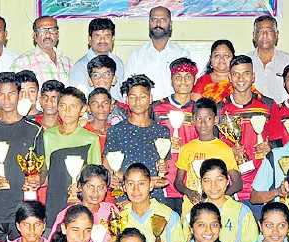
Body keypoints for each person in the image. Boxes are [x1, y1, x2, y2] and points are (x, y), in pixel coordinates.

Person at [0, 72, 45, 242]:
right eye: (1, 94)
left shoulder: (34, 129)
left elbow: (42, 167)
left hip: (23, 207)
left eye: (11, 93)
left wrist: (38, 179)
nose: (6, 99)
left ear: (20, 95)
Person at [218, 55, 275, 217]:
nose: (241, 78)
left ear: (253, 76)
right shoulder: (219, 109)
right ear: (229, 77)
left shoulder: (268, 105)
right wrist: (229, 153)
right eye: (236, 74)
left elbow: (281, 141)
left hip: (262, 185)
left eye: (246, 73)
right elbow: (213, 146)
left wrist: (270, 147)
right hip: (232, 183)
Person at [102, 75, 170, 203]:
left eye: (143, 97)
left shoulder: (162, 131)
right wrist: (137, 181)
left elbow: (164, 165)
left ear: (150, 99)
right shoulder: (116, 131)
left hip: (155, 197)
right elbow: (108, 169)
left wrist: (163, 169)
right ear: (127, 100)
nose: (137, 101)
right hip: (126, 197)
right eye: (133, 97)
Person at [174, 98, 241, 215]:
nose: (203, 123)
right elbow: (178, 182)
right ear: (193, 120)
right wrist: (188, 192)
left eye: (208, 119)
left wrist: (219, 198)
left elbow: (237, 183)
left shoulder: (224, 149)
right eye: (199, 119)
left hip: (217, 210)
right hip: (191, 208)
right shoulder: (186, 149)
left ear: (215, 120)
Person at [42, 86, 101, 222]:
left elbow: (94, 176)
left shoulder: (90, 138)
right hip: (54, 199)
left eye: (73, 107)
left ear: (83, 109)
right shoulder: (48, 135)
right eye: (63, 106)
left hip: (80, 201)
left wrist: (80, 190)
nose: (67, 111)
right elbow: (46, 172)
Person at [152, 57, 199, 213]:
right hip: (164, 179)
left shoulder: (201, 110)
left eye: (188, 77)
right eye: (178, 77)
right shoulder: (157, 108)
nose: (183, 81)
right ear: (171, 80)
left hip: (192, 180)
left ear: (194, 80)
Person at [119, 163, 186, 242]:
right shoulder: (120, 218)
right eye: (130, 184)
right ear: (124, 187)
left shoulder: (169, 215)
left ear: (150, 186)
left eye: (141, 183)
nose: (136, 189)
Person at [183, 159, 256, 242]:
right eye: (207, 180)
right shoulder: (193, 213)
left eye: (219, 179)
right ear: (201, 183)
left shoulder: (242, 211)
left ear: (228, 181)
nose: (213, 186)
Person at [125, 6, 190, 100]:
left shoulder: (181, 54)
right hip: (144, 111)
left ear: (170, 24)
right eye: (154, 19)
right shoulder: (136, 56)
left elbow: (187, 88)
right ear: (149, 24)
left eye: (163, 20)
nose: (158, 24)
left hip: (174, 111)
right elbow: (128, 88)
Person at [51, 165, 115, 242]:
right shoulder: (67, 214)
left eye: (100, 187)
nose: (95, 192)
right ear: (80, 187)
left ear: (107, 188)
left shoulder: (111, 211)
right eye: (90, 186)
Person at [70, 18, 124, 102]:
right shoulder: (80, 67)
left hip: (119, 112)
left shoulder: (118, 63)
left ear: (113, 38)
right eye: (97, 36)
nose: (102, 40)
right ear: (89, 39)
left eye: (107, 36)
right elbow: (78, 101)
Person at [12, 16, 72, 86]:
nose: (48, 34)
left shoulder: (67, 62)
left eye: (52, 30)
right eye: (42, 30)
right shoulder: (23, 63)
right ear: (34, 36)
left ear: (57, 34)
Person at [247, 15, 289, 103]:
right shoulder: (245, 62)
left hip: (282, 113)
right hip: (253, 113)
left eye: (269, 31)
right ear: (254, 35)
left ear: (276, 35)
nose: (265, 35)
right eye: (260, 32)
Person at [85, 55, 129, 127]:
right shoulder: (82, 110)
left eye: (107, 74)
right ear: (90, 81)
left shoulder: (124, 110)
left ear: (114, 79)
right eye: (96, 75)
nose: (101, 78)